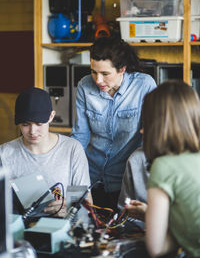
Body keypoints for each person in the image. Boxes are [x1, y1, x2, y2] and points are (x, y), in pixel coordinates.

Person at [70, 36, 156, 210]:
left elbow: (151, 136)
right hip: (91, 179)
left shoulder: (144, 85)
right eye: (94, 71)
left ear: (122, 69)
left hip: (126, 181)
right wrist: (71, 174)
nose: (98, 80)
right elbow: (80, 135)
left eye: (105, 74)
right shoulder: (84, 86)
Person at [126, 80, 200, 257]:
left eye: (146, 122)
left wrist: (153, 220)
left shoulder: (164, 166)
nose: (142, 131)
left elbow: (157, 248)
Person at [0, 87, 91, 218]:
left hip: (63, 229)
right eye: (25, 124)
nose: (32, 131)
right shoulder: (4, 154)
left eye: (38, 123)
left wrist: (70, 208)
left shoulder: (71, 150)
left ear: (51, 116)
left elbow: (87, 206)